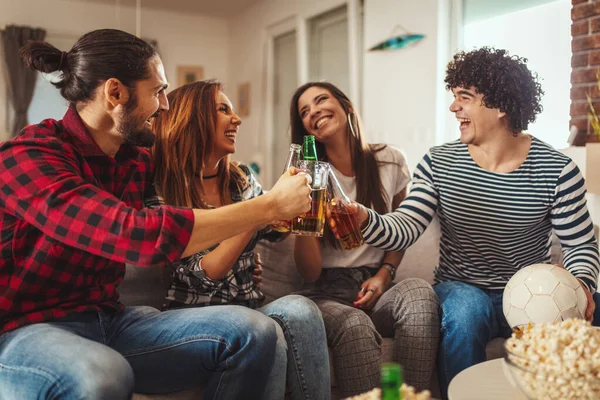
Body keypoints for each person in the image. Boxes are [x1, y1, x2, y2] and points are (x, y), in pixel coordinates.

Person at [0, 29, 312, 399]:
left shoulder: (136, 161)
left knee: (254, 331)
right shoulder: (28, 156)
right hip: (23, 330)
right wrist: (268, 206)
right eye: (158, 92)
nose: (165, 106)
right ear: (115, 92)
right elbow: (137, 235)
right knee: (102, 374)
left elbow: (191, 170)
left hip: (110, 320)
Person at [348, 47, 600, 398]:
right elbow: (405, 225)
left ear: (501, 107)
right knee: (466, 311)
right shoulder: (439, 162)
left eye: (464, 98)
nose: (454, 108)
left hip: (532, 291)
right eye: (454, 98)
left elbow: (579, 245)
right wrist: (363, 218)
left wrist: (581, 284)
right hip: (462, 287)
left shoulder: (556, 169)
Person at [149, 79, 331, 400]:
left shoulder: (242, 178)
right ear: (193, 119)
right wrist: (260, 211)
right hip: (193, 320)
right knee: (267, 334)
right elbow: (203, 275)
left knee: (301, 309)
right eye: (223, 110)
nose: (237, 119)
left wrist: (300, 204)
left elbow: (275, 229)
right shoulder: (163, 189)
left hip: (249, 308)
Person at [290, 82, 440, 398]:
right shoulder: (307, 176)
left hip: (375, 281)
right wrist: (302, 217)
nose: (314, 111)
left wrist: (384, 275)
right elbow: (309, 274)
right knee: (354, 324)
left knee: (420, 293)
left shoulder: (390, 160)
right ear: (305, 128)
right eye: (305, 111)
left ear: (345, 106)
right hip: (325, 292)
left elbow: (403, 229)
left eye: (320, 100)